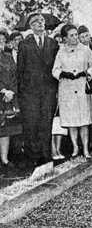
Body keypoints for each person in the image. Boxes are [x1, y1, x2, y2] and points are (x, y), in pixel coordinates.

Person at [17, 13, 59, 166]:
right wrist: (22, 93)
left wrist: (56, 90)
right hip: (30, 92)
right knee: (32, 123)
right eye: (37, 21)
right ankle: (34, 157)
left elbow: (56, 67)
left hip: (48, 91)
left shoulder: (53, 43)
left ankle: (46, 155)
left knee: (46, 123)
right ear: (31, 26)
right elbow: (20, 70)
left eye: (42, 21)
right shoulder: (24, 44)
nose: (41, 23)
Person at [52, 24, 92, 158]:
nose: (74, 38)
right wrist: (63, 74)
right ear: (65, 38)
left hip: (82, 88)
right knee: (71, 121)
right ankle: (75, 147)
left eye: (76, 34)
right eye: (71, 35)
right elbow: (55, 69)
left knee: (84, 121)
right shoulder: (61, 51)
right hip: (67, 89)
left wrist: (86, 73)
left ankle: (85, 149)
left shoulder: (85, 50)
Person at [0, 31, 22, 168]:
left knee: (5, 130)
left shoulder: (8, 57)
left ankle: (4, 159)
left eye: (2, 41)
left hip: (8, 98)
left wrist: (11, 92)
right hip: (2, 93)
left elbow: (15, 75)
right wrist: (3, 90)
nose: (0, 43)